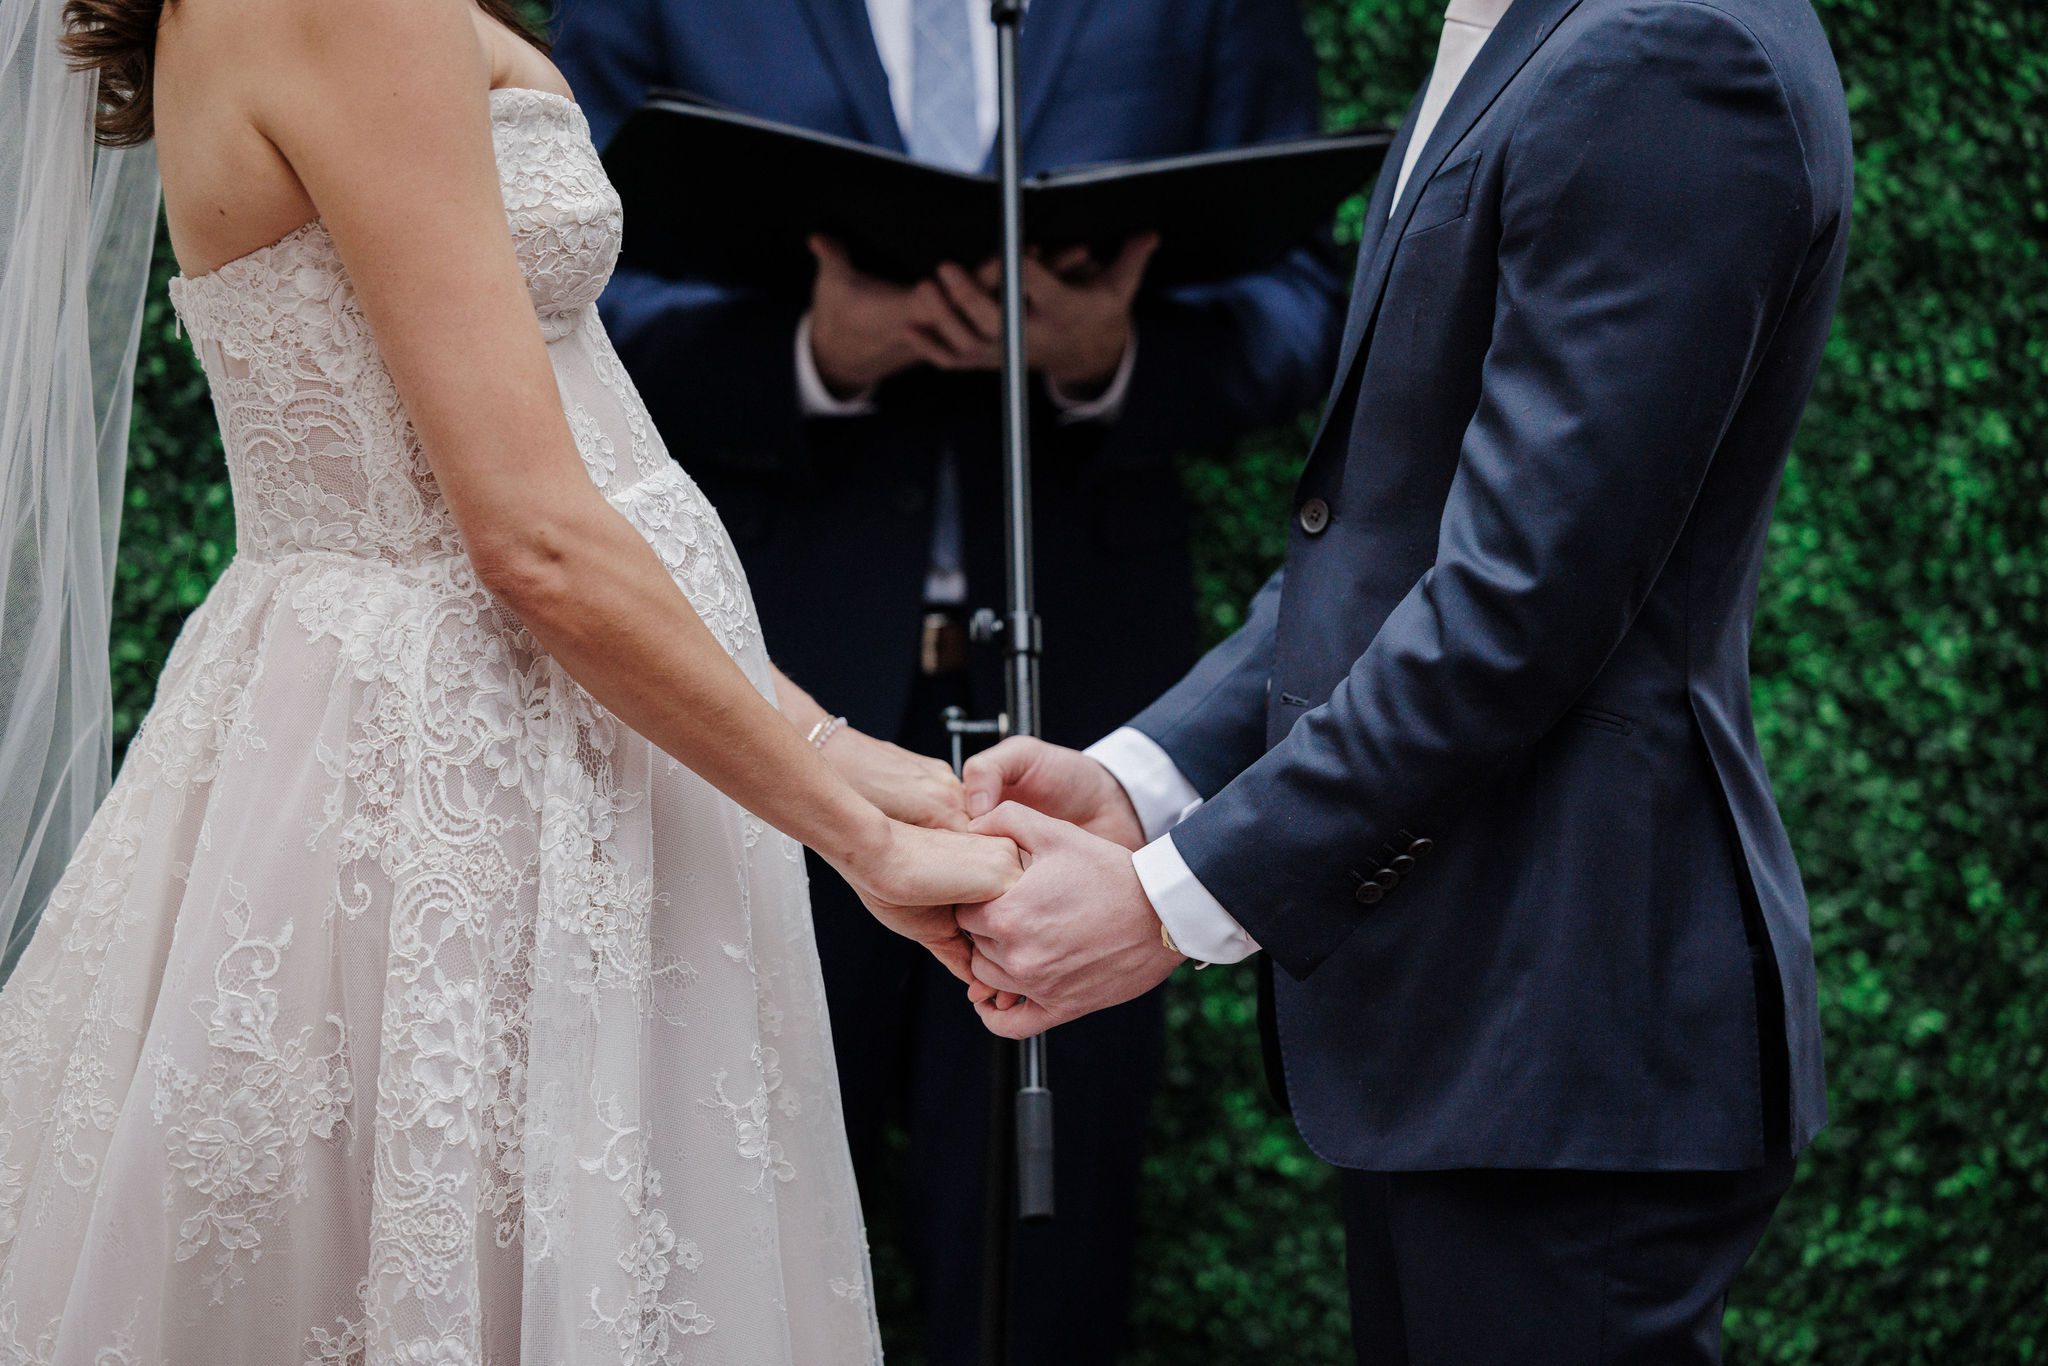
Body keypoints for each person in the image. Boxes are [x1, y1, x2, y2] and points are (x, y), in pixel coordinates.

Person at [0, 0, 1022, 1359]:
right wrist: (858, 839)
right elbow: (531, 538)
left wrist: (826, 743)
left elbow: (568, 470)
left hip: (482, 725)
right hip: (467, 787)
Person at [958, 0, 1853, 1360]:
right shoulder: (1526, 30)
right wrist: (1143, 779)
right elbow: (1387, 539)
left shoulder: (1671, 53)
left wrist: (1167, 901)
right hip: (1477, 1017)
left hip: (1563, 1024)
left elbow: (1519, 602)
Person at [551, 1, 1347, 1359]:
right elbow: (565, 293)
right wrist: (818, 351)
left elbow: (1307, 301)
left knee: (1047, 1234)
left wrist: (1112, 357)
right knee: (731, 1202)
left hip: (1087, 698)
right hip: (756, 695)